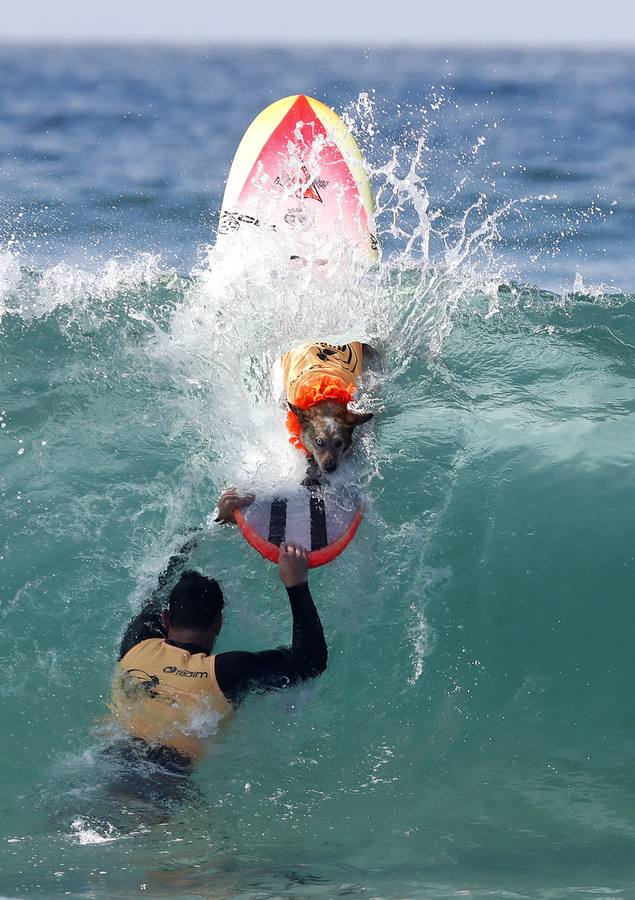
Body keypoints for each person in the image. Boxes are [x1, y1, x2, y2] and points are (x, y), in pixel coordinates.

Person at [109, 489, 327, 771]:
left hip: (110, 759)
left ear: (166, 618)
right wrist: (296, 583)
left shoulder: (136, 642)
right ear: (218, 624)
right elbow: (311, 661)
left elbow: (163, 580)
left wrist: (217, 522)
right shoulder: (225, 673)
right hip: (166, 777)